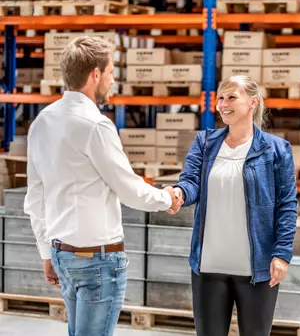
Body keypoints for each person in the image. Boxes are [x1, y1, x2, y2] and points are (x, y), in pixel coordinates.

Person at [24, 36, 183, 336]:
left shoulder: (42, 123)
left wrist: (46, 253)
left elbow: (36, 197)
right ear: (95, 74)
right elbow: (129, 190)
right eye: (110, 72)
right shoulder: (96, 126)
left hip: (62, 256)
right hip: (98, 261)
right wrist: (168, 197)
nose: (112, 81)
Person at [169, 75, 297, 336]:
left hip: (257, 268)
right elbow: (191, 182)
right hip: (209, 265)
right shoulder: (205, 143)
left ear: (253, 102)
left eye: (231, 97)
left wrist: (282, 254)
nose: (223, 104)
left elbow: (286, 205)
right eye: (220, 98)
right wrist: (179, 193)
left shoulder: (276, 150)